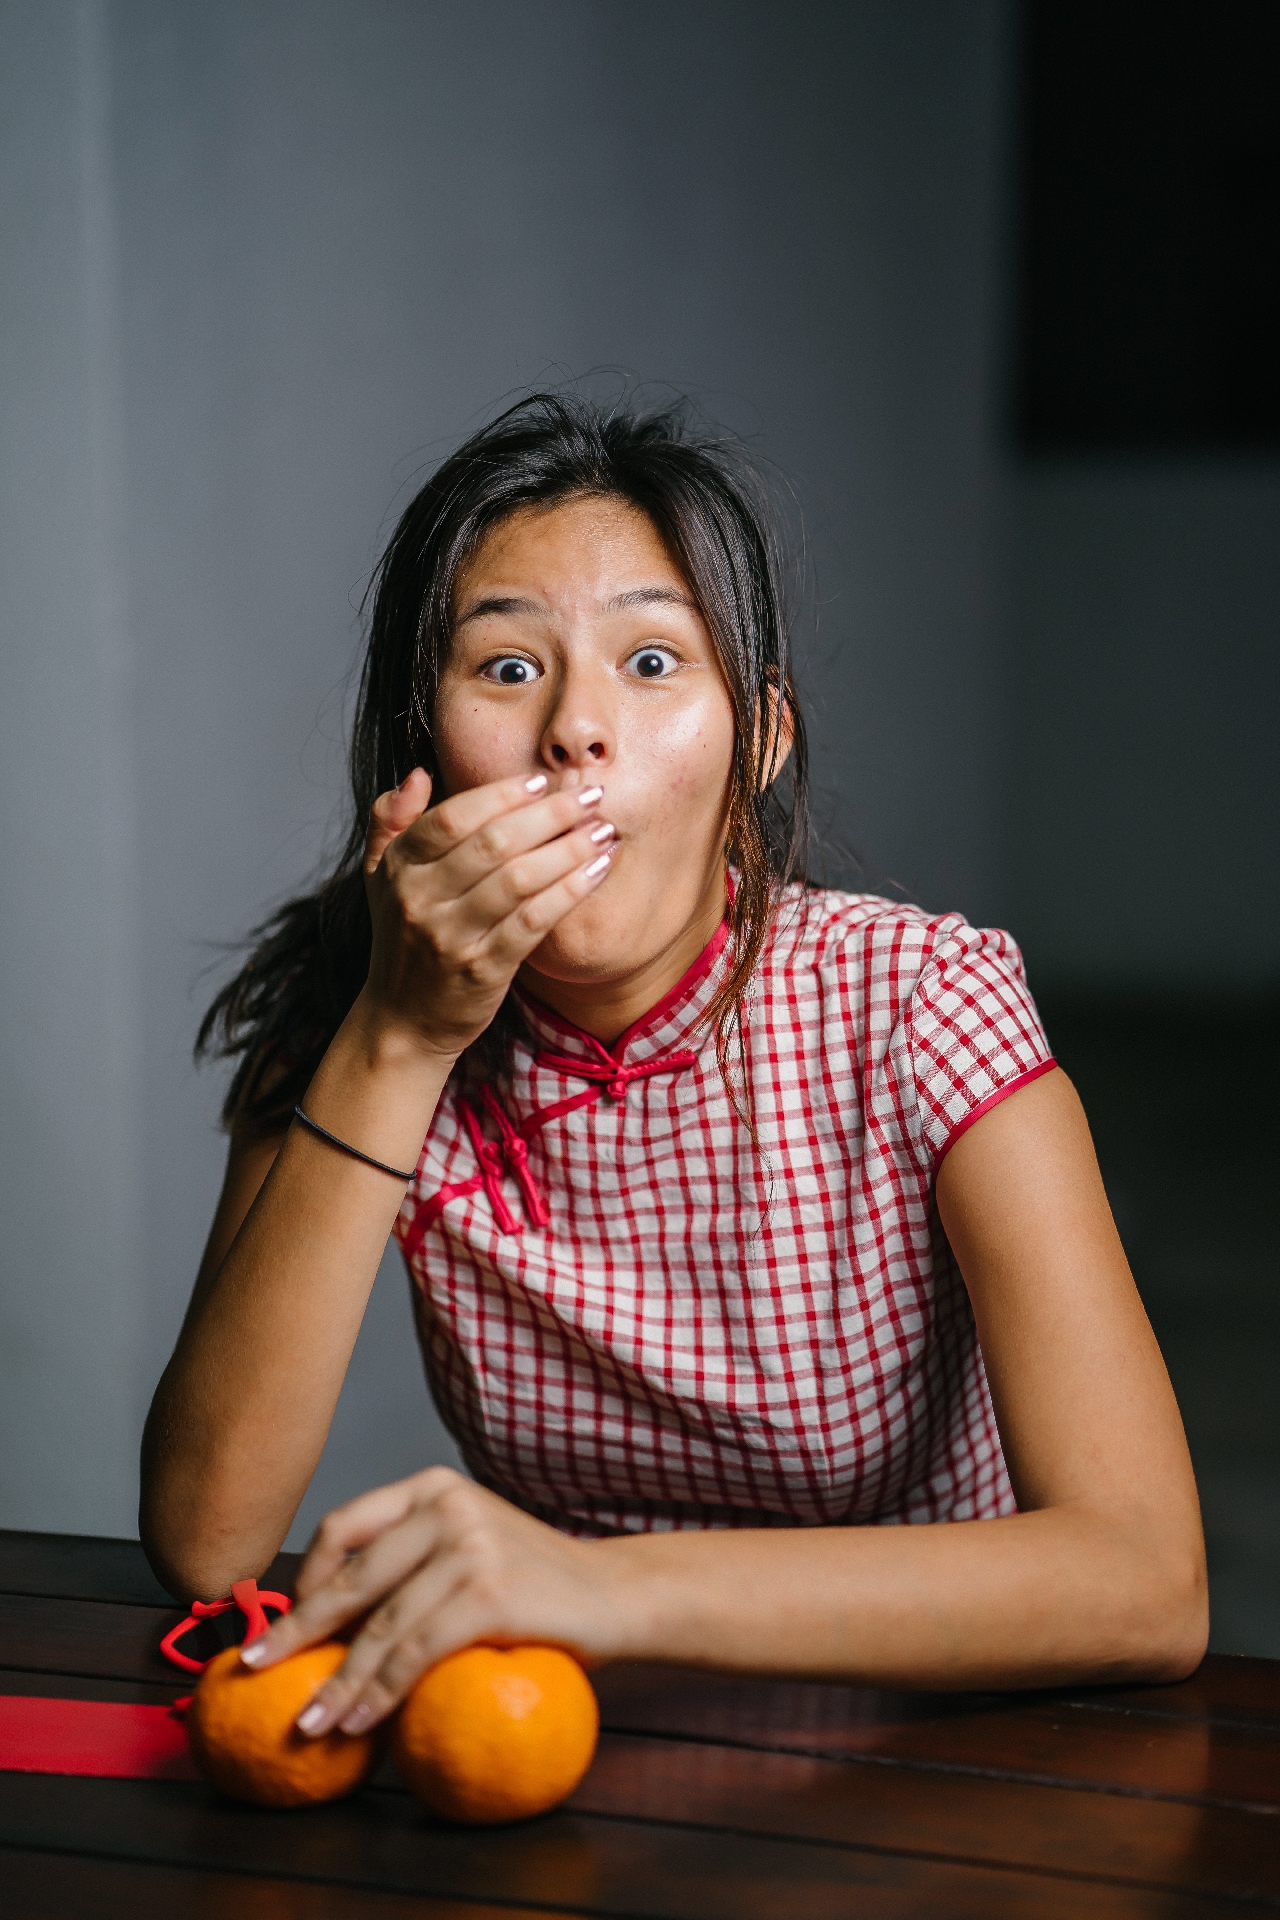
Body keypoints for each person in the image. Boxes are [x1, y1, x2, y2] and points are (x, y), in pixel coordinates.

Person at [140, 394, 1207, 1745]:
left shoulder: (925, 1004)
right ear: (427, 759)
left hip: (948, 1753)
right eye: (509, 669)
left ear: (757, 743)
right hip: (576, 1747)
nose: (579, 729)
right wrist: (399, 1040)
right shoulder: (354, 1028)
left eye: (652, 664)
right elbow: (204, 1541)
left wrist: (601, 1588)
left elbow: (1148, 1582)